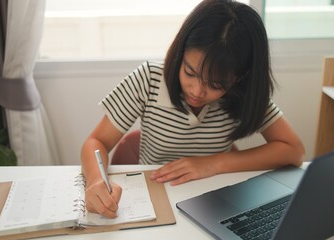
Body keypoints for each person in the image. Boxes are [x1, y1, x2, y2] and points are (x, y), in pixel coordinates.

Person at [80, 0, 305, 219]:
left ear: (240, 78)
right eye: (189, 72)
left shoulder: (244, 92)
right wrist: (95, 181)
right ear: (180, 52)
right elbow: (96, 142)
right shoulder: (149, 79)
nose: (197, 91)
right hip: (155, 199)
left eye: (216, 84)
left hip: (217, 203)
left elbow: (293, 150)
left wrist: (214, 163)